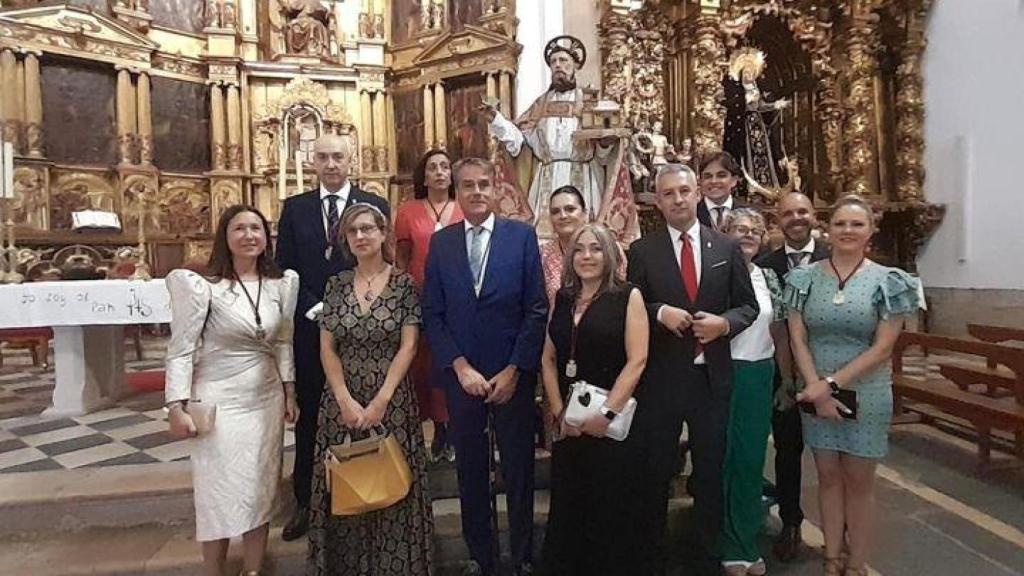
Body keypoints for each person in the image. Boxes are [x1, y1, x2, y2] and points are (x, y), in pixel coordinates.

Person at [626, 163, 758, 576]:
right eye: (669, 194)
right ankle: (650, 554)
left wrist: (725, 324)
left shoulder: (725, 248)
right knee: (655, 470)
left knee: (711, 468)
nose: (678, 199)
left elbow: (748, 306)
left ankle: (706, 554)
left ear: (697, 193)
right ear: (658, 201)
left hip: (710, 379)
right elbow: (630, 303)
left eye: (685, 191)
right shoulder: (642, 251)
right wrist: (659, 311)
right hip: (661, 382)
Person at [423, 157, 548, 576]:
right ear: (456, 191)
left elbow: (536, 308)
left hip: (511, 374)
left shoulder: (521, 237)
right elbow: (433, 313)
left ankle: (523, 555)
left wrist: (515, 368)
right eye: (467, 186)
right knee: (471, 469)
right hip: (464, 377)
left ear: (496, 189)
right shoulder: (442, 244)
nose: (476, 192)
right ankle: (482, 557)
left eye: (483, 184)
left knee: (518, 467)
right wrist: (459, 367)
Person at [784, 195, 920, 576]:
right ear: (826, 229)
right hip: (815, 387)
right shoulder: (803, 278)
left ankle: (857, 562)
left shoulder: (888, 281)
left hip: (866, 389)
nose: (847, 230)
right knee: (826, 477)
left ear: (870, 231)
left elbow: (883, 348)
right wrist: (815, 386)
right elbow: (798, 337)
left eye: (857, 224)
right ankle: (831, 557)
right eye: (840, 223)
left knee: (859, 482)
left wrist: (830, 385)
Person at [165, 205, 299, 576]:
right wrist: (176, 405)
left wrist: (290, 391)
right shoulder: (203, 287)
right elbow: (181, 348)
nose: (249, 235)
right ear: (225, 237)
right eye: (239, 228)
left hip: (265, 399)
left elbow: (283, 342)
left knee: (260, 487)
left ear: (266, 237)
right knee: (216, 493)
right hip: (219, 400)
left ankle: (253, 570)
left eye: (256, 228)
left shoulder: (280, 285)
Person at [276, 133, 390, 541]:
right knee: (311, 414)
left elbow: (382, 264)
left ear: (350, 160)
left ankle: (370, 495)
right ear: (313, 163)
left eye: (338, 157)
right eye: (322, 157)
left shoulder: (374, 204)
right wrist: (316, 307)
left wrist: (358, 308)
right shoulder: (295, 209)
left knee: (364, 410)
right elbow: (285, 268)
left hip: (365, 331)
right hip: (311, 329)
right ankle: (307, 501)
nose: (330, 164)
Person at [308, 203, 433, 575]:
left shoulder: (404, 284)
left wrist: (380, 401)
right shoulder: (336, 284)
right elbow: (327, 348)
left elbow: (409, 346)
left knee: (390, 483)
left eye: (367, 229)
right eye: (353, 231)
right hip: (341, 400)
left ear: (383, 234)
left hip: (391, 399)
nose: (361, 236)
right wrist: (345, 399)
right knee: (348, 486)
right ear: (346, 240)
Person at [538, 223, 649, 576]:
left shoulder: (626, 295)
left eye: (596, 249)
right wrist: (557, 411)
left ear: (610, 254)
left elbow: (638, 359)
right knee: (571, 508)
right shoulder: (565, 297)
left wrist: (607, 412)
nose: (587, 256)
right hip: (570, 422)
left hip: (608, 422)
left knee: (608, 508)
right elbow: (547, 357)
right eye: (581, 249)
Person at [754, 191, 829, 562]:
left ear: (813, 216)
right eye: (788, 213)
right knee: (786, 452)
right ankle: (791, 522)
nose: (796, 218)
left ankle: (840, 528)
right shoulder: (765, 264)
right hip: (782, 376)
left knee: (834, 456)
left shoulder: (835, 258)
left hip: (831, 373)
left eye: (803, 211)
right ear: (777, 219)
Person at [482, 35, 618, 234]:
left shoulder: (589, 102)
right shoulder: (540, 105)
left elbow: (603, 152)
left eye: (563, 61)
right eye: (553, 62)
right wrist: (497, 120)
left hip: (584, 177)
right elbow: (520, 142)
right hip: (547, 178)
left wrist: (606, 144)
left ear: (575, 66)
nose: (558, 65)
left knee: (585, 236)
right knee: (543, 240)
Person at [719, 209, 788, 576]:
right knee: (723, 461)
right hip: (724, 373)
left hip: (759, 372)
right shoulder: (714, 275)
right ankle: (727, 544)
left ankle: (745, 540)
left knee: (749, 461)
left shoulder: (769, 278)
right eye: (739, 229)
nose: (747, 235)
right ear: (724, 233)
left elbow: (778, 330)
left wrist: (787, 380)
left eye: (754, 230)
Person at [395, 149, 464, 462]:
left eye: (445, 167)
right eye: (433, 167)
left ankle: (452, 427)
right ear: (424, 176)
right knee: (422, 365)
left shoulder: (465, 207)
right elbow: (402, 259)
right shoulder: (409, 211)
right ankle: (431, 427)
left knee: (451, 360)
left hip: (458, 299)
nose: (439, 172)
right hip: (419, 298)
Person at [539, 185, 626, 305]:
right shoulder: (543, 254)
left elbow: (622, 294)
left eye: (570, 209)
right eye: (555, 212)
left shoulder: (609, 247)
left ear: (584, 213)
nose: (563, 216)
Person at [723, 47, 791, 193]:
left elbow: (760, 106)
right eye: (745, 72)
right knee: (745, 153)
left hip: (758, 125)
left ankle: (765, 184)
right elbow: (736, 108)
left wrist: (775, 105)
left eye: (751, 72)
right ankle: (747, 185)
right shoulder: (737, 92)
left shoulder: (756, 90)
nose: (748, 75)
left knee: (762, 152)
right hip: (743, 126)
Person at [697, 151, 750, 231]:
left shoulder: (749, 213)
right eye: (708, 176)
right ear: (700, 181)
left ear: (734, 180)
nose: (714, 181)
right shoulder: (690, 214)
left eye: (721, 176)